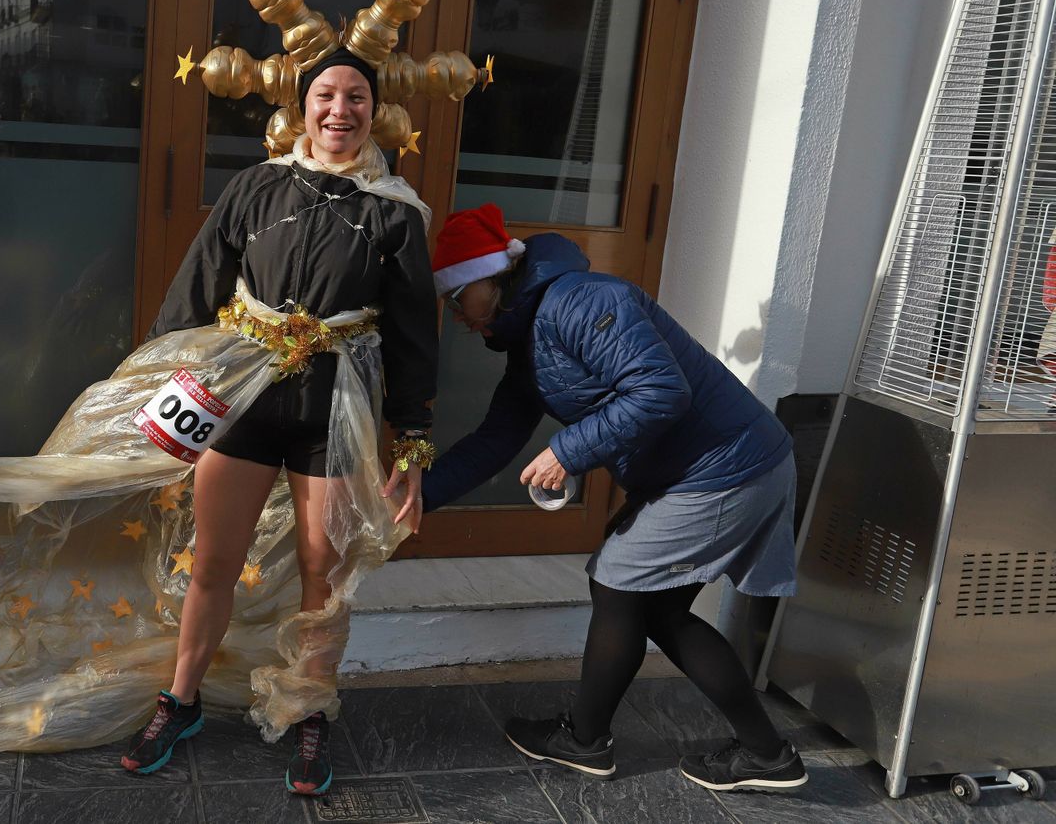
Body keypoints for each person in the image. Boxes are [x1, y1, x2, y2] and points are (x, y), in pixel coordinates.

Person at [118, 48, 438, 795]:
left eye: (356, 97)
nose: (339, 109)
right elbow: (195, 287)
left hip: (336, 407)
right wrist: (166, 389)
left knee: (324, 573)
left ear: (374, 110)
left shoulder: (395, 213)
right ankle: (182, 699)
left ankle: (309, 709)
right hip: (246, 397)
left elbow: (416, 337)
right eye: (325, 94)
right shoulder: (256, 187)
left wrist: (413, 444)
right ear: (302, 108)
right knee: (213, 561)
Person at [419, 203, 809, 792]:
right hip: (707, 468)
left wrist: (566, 452)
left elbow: (659, 390)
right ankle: (757, 753)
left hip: (729, 466)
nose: (455, 316)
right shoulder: (528, 340)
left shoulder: (580, 301)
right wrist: (416, 499)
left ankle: (589, 740)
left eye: (455, 299)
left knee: (619, 582)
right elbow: (494, 441)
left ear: (489, 276)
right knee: (651, 605)